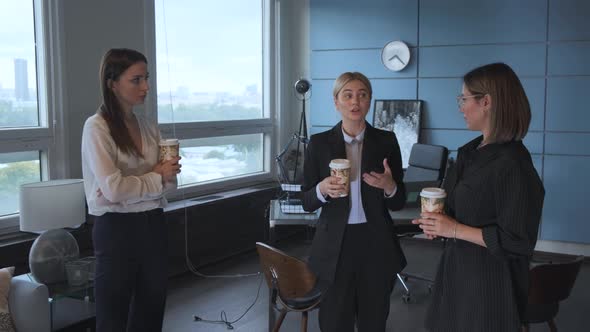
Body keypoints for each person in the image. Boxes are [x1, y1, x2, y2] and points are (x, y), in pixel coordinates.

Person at [412, 62, 545, 332]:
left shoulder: (513, 164)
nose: (460, 106)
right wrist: (439, 225)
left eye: (464, 98)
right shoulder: (469, 153)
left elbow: (517, 241)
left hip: (490, 286)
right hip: (458, 274)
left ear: (486, 102)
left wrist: (455, 229)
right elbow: (455, 210)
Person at [81, 48, 181, 332]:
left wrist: (154, 178)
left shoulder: (148, 127)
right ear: (113, 83)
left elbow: (169, 185)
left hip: (154, 223)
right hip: (116, 230)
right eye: (136, 80)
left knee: (151, 311)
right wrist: (154, 177)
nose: (146, 87)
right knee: (112, 317)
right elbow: (113, 190)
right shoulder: (96, 127)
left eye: (146, 78)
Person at [301, 72, 407, 332]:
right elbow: (306, 201)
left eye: (362, 95)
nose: (355, 102)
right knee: (335, 320)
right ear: (336, 102)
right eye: (347, 95)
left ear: (370, 101)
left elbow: (399, 201)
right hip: (335, 245)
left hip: (375, 241)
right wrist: (322, 189)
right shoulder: (318, 144)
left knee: (374, 319)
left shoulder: (386, 141)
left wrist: (390, 186)